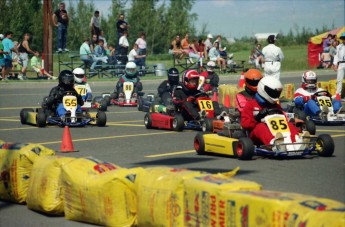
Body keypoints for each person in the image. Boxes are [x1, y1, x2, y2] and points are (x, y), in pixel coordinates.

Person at [240, 76, 300, 147]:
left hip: (276, 132)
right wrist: (257, 118)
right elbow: (244, 124)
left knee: (289, 125)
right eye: (273, 93)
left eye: (276, 93)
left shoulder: (275, 105)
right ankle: (273, 143)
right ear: (264, 90)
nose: (275, 95)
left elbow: (283, 119)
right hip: (255, 136)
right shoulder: (251, 104)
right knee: (260, 127)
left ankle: (296, 141)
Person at [332, 32, 345, 100]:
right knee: (339, 80)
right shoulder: (339, 47)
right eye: (343, 39)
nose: (344, 40)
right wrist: (335, 64)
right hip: (341, 63)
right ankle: (338, 95)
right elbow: (336, 56)